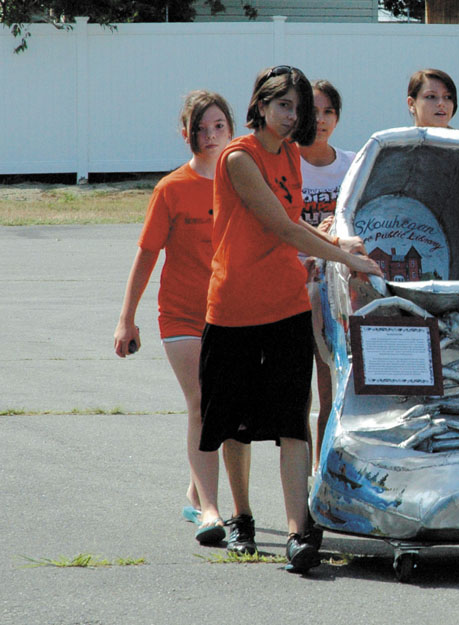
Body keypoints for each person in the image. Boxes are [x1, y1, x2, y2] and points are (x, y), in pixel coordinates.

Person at [198, 66, 382, 573]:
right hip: (235, 307)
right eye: (282, 105)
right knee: (234, 422)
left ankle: (301, 530)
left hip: (287, 304)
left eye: (297, 108)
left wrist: (337, 241)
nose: (291, 115)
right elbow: (277, 224)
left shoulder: (291, 155)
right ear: (259, 105)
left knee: (291, 419)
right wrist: (347, 258)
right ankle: (241, 518)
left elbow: (294, 216)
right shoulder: (239, 156)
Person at [113, 90, 251, 547]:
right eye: (202, 128)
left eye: (219, 126)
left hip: (231, 311)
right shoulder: (171, 189)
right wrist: (126, 319)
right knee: (203, 403)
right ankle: (210, 511)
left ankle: (196, 490)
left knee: (229, 405)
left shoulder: (243, 180)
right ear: (186, 133)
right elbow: (147, 254)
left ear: (232, 129)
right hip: (181, 315)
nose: (211, 136)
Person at [298, 80, 356, 471]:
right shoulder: (283, 162)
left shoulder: (351, 163)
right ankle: (298, 487)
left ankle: (322, 478)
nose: (320, 120)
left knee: (329, 391)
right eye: (312, 112)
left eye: (328, 112)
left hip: (333, 292)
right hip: (289, 287)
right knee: (294, 402)